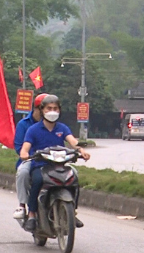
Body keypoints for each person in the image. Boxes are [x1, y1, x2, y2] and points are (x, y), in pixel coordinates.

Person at [19, 95, 90, 232]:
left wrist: (81, 150)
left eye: (55, 108)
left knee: (73, 177)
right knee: (38, 180)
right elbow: (25, 147)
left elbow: (73, 142)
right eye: (49, 108)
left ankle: (72, 212)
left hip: (60, 165)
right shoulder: (33, 129)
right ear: (42, 110)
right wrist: (24, 154)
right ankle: (32, 214)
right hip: (40, 165)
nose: (52, 111)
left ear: (59, 110)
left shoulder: (62, 128)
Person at [12, 93, 48, 220]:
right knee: (23, 173)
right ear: (37, 109)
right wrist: (27, 154)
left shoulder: (54, 125)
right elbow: (18, 146)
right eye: (45, 109)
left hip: (50, 160)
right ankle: (22, 205)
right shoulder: (24, 124)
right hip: (31, 159)